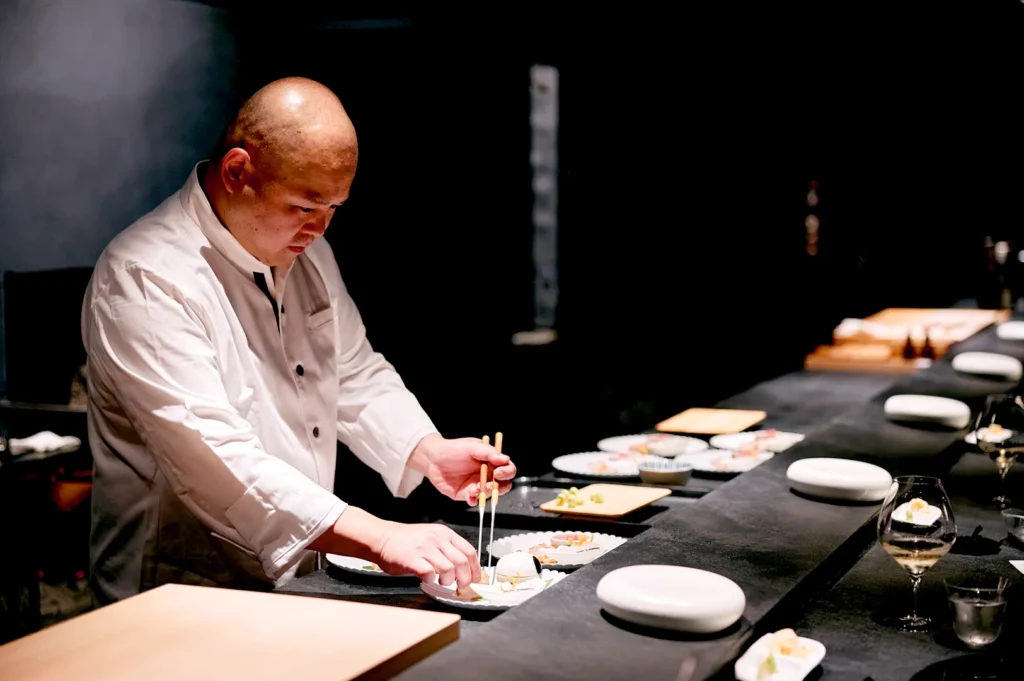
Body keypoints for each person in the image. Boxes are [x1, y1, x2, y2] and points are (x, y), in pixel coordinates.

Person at [81, 77, 516, 605]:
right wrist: (378, 535)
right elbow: (214, 456)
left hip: (295, 572)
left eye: (334, 208)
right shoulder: (146, 275)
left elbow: (352, 371)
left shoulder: (306, 250)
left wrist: (428, 452)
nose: (320, 228)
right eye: (305, 205)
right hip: (178, 585)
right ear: (237, 171)